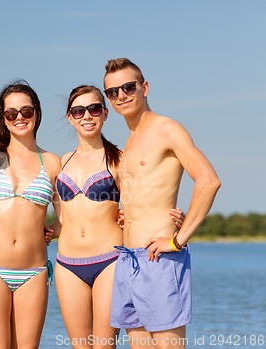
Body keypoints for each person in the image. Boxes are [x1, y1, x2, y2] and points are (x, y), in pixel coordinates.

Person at [54, 85, 185, 349]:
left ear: (104, 114)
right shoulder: (62, 161)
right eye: (79, 111)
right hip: (67, 264)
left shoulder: (119, 159)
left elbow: (146, 200)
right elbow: (62, 213)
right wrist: (50, 230)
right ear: (70, 117)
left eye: (94, 109)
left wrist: (174, 217)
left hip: (109, 262)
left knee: (103, 346)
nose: (86, 116)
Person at [103, 58, 221, 348]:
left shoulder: (168, 129)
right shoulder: (127, 143)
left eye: (128, 87)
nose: (121, 96)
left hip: (160, 258)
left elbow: (209, 181)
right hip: (128, 258)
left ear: (145, 88)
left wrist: (178, 240)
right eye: (112, 92)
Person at [0, 81, 62, 348]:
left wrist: (52, 230)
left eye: (26, 111)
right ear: (3, 118)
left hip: (33, 272)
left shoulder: (54, 162)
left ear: (37, 112)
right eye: (11, 113)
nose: (19, 118)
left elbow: (68, 216)